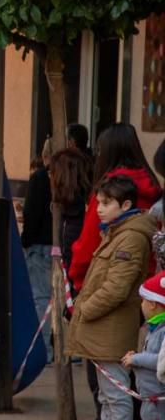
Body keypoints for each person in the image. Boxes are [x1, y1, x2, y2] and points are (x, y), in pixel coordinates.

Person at [67, 175, 156, 420]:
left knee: (116, 393)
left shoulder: (130, 237)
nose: (99, 209)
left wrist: (85, 310)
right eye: (98, 202)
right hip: (101, 326)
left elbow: (117, 287)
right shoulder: (115, 232)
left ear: (126, 205)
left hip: (111, 326)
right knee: (107, 394)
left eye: (106, 203)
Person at [69, 123, 161, 293]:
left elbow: (88, 244)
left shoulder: (108, 192)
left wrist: (78, 280)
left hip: (104, 284)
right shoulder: (152, 188)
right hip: (147, 287)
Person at [50, 147, 99, 420]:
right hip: (76, 288)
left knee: (99, 367)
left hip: (84, 291)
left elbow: (81, 254)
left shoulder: (83, 211)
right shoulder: (68, 209)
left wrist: (74, 294)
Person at [124, 270, 165, 420]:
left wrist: (136, 359)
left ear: (154, 304)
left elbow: (160, 361)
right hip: (150, 400)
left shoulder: (162, 332)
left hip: (159, 401)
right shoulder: (154, 329)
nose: (141, 305)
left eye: (143, 301)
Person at [21, 139, 55, 364]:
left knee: (41, 299)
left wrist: (25, 241)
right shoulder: (79, 176)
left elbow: (31, 215)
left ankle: (43, 352)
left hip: (40, 246)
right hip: (64, 247)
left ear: (45, 156)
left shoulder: (41, 179)